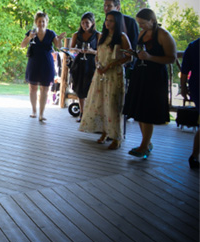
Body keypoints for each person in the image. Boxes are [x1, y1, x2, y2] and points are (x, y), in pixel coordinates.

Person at [122, 8, 177, 159]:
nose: (140, 26)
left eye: (143, 23)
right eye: (139, 23)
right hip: (140, 74)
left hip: (155, 76)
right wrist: (133, 54)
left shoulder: (163, 35)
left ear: (152, 21)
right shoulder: (142, 33)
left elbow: (171, 58)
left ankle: (144, 145)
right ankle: (146, 143)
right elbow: (141, 53)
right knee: (139, 110)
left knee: (147, 111)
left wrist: (150, 57)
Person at [78, 11, 131, 150]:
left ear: (117, 22)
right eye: (107, 20)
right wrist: (98, 65)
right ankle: (104, 132)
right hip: (100, 73)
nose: (108, 23)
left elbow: (129, 56)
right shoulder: (102, 35)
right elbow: (98, 53)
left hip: (114, 73)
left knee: (113, 105)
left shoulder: (122, 37)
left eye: (111, 21)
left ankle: (116, 137)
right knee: (100, 102)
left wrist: (112, 64)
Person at [20, 11, 66, 122]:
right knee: (33, 88)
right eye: (39, 21)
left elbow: (58, 46)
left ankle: (41, 113)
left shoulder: (51, 33)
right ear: (36, 22)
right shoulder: (31, 32)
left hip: (47, 62)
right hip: (34, 62)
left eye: (43, 21)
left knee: (45, 89)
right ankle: (34, 111)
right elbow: (22, 45)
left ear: (47, 22)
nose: (41, 23)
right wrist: (29, 38)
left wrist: (59, 39)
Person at [69, 12, 99, 120]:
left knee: (91, 88)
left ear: (92, 23)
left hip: (92, 63)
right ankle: (82, 113)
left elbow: (100, 52)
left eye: (87, 23)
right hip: (79, 62)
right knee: (80, 88)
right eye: (82, 23)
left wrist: (91, 51)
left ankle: (91, 114)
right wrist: (78, 50)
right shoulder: (76, 35)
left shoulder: (98, 35)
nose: (84, 25)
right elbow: (71, 49)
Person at [179, 38, 199, 169]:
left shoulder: (193, 46)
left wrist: (183, 87)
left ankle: (194, 156)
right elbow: (185, 70)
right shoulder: (194, 46)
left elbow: (184, 70)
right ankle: (194, 156)